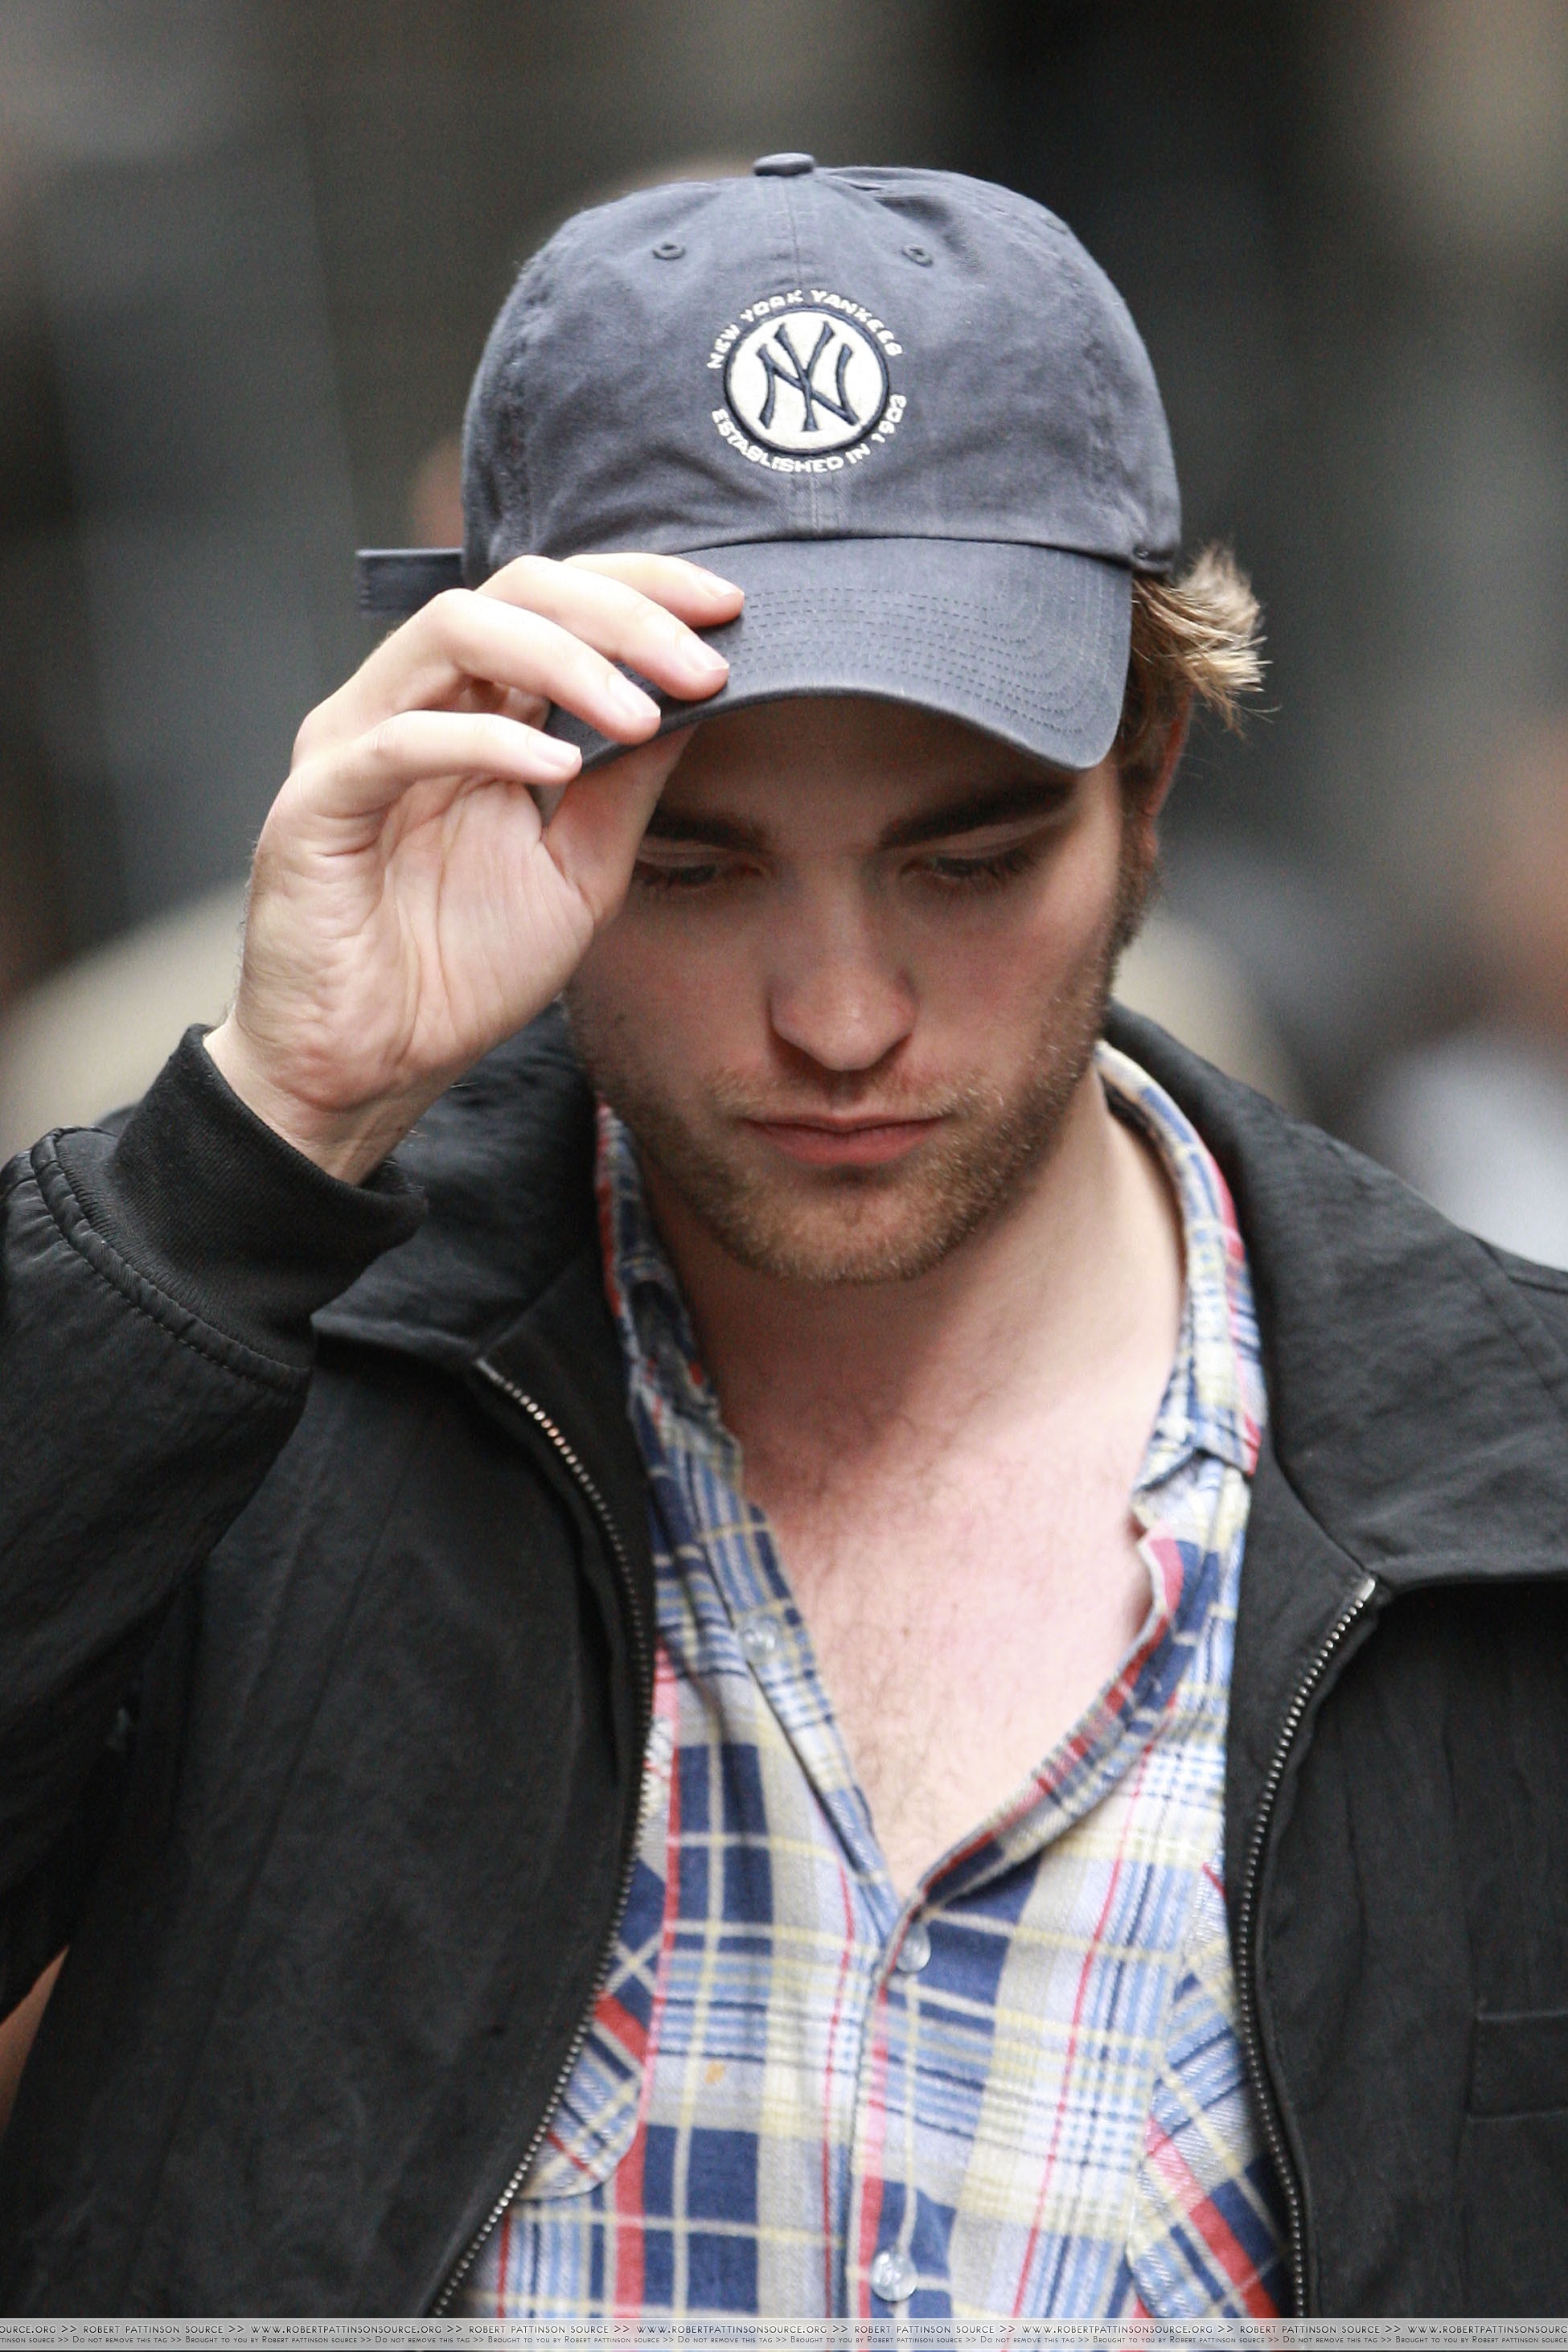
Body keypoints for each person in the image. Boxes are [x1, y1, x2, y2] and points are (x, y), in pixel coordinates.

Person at [2, 159, 1566, 2325]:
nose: (839, 1019)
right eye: (695, 870)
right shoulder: (263, 1391)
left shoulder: (1514, 1497)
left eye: (963, 863)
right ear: (498, 794)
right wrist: (272, 1125)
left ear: (1148, 783)